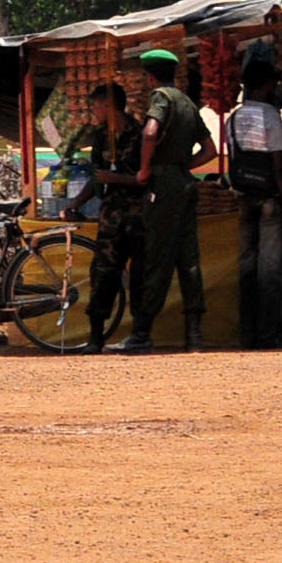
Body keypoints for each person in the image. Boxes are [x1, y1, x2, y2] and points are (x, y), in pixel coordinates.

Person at [106, 50, 209, 353]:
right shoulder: (188, 103)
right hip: (185, 183)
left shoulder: (161, 97)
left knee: (157, 258)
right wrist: (183, 166)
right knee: (189, 260)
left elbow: (150, 132)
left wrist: (146, 169)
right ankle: (195, 335)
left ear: (150, 76)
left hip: (163, 186)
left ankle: (141, 332)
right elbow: (210, 149)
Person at [62, 81, 143, 347]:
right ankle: (95, 334)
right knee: (103, 275)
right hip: (111, 221)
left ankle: (141, 334)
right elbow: (97, 180)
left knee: (141, 277)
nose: (93, 111)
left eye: (96, 106)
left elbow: (147, 178)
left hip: (139, 219)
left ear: (108, 106)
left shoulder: (141, 135)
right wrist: (75, 203)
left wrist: (116, 177)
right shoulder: (100, 138)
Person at [226, 58, 282, 348]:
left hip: (243, 198)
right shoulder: (270, 116)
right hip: (269, 200)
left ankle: (246, 334)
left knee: (246, 269)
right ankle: (269, 336)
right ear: (265, 85)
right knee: (269, 271)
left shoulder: (233, 118)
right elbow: (279, 168)